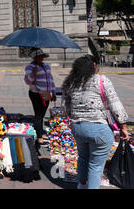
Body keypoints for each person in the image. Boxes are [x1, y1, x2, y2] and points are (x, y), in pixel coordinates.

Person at [62, 54, 130, 189]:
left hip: (78, 127)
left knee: (82, 158)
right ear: (94, 65)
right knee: (96, 166)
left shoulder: (71, 82)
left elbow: (66, 107)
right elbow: (115, 104)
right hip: (99, 129)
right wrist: (123, 126)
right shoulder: (101, 80)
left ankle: (81, 185)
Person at [24, 48, 56, 146]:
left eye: (42, 56)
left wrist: (53, 92)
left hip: (46, 93)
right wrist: (33, 73)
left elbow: (50, 79)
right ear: (35, 57)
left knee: (42, 113)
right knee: (38, 114)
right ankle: (38, 136)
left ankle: (40, 130)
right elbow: (28, 81)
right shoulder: (30, 67)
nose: (42, 58)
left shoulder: (46, 66)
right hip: (36, 93)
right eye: (39, 56)